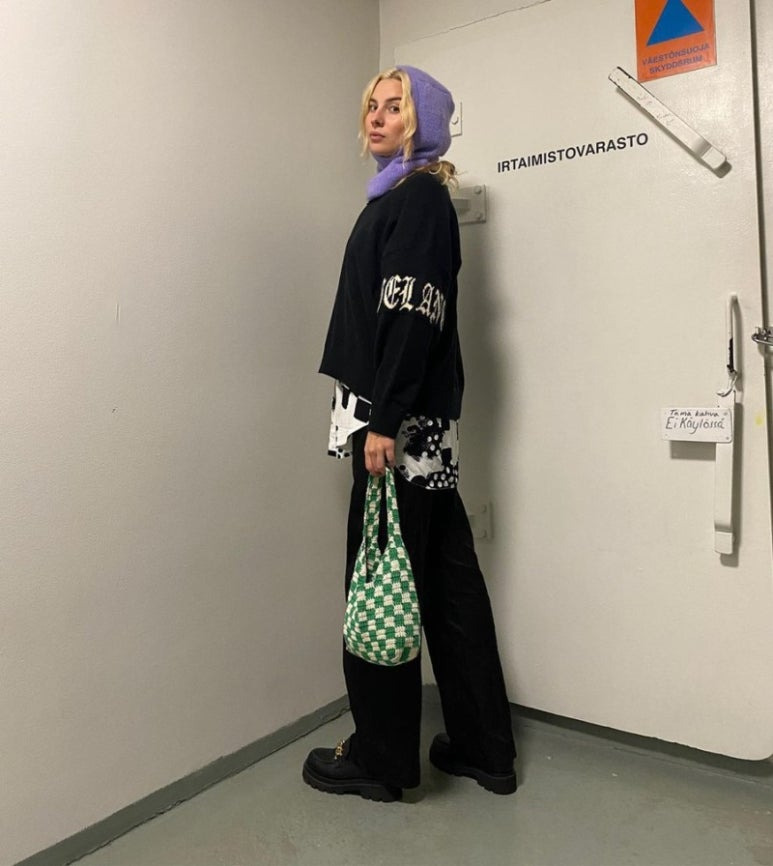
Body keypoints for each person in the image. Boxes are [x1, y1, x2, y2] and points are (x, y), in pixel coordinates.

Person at [302, 66, 516, 802]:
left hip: (394, 430)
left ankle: (382, 760)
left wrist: (382, 421)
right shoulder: (407, 197)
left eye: (395, 107)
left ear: (422, 121)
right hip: (418, 430)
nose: (378, 116)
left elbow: (409, 312)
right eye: (372, 105)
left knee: (379, 580)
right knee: (446, 582)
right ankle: (484, 749)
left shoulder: (416, 196)